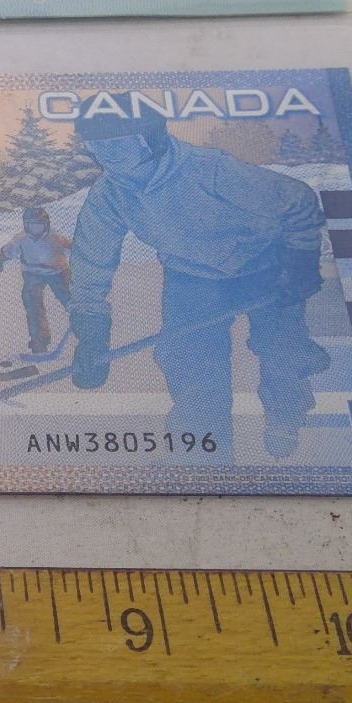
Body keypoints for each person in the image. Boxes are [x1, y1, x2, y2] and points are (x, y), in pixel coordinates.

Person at [65, 95, 330, 458]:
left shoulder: (209, 170)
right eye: (96, 145)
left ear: (149, 138)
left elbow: (298, 199)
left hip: (264, 265)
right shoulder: (110, 194)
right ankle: (206, 452)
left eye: (116, 143)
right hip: (191, 276)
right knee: (190, 362)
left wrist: (301, 261)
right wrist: (92, 333)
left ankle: (285, 414)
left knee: (281, 350)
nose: (105, 155)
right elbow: (90, 259)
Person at [0, 205, 73, 355]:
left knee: (71, 299)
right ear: (26, 225)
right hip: (32, 274)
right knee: (32, 303)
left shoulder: (55, 238)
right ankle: (39, 340)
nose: (36, 230)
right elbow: (9, 250)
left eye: (39, 226)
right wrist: (0, 258)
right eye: (32, 226)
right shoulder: (21, 239)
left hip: (58, 273)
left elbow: (74, 248)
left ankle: (87, 329)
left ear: (46, 225)